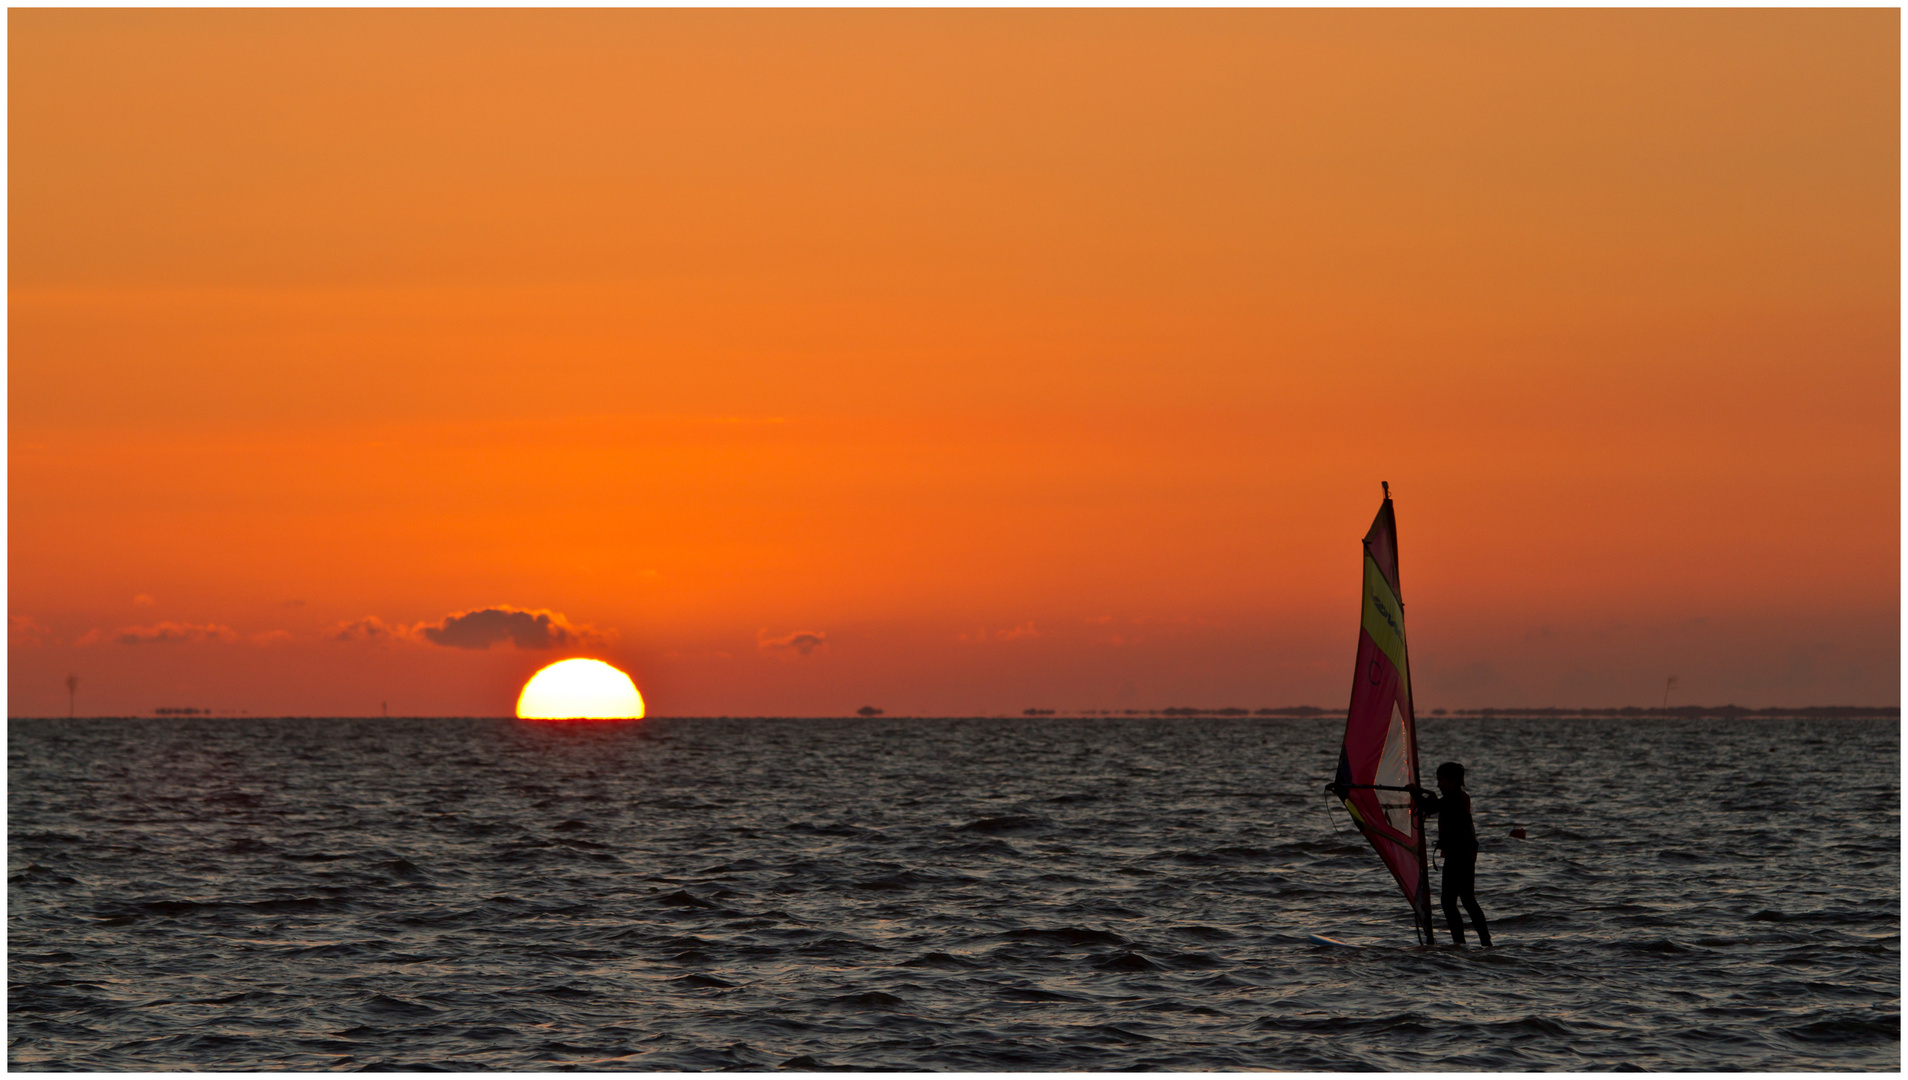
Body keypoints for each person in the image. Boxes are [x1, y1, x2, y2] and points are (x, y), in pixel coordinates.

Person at [1412, 762, 1492, 947]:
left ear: (1453, 781)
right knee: (1461, 900)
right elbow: (1435, 803)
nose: (1438, 784)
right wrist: (1426, 794)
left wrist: (1413, 792)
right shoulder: (1453, 797)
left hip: (1460, 856)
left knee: (1454, 901)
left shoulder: (1457, 798)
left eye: (1441, 780)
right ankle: (1474, 943)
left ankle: (1467, 943)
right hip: (1460, 855)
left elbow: (1430, 807)